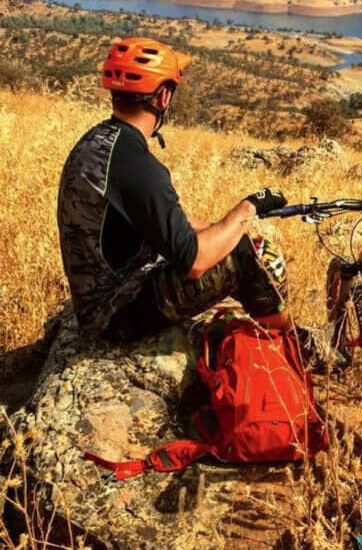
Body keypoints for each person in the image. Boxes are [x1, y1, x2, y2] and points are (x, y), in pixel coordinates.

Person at [57, 37, 291, 343]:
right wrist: (248, 208)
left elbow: (165, 219)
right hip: (112, 316)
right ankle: (290, 342)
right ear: (164, 97)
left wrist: (219, 229)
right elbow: (195, 262)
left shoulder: (101, 142)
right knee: (247, 256)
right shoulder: (136, 165)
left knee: (233, 243)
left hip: (101, 300)